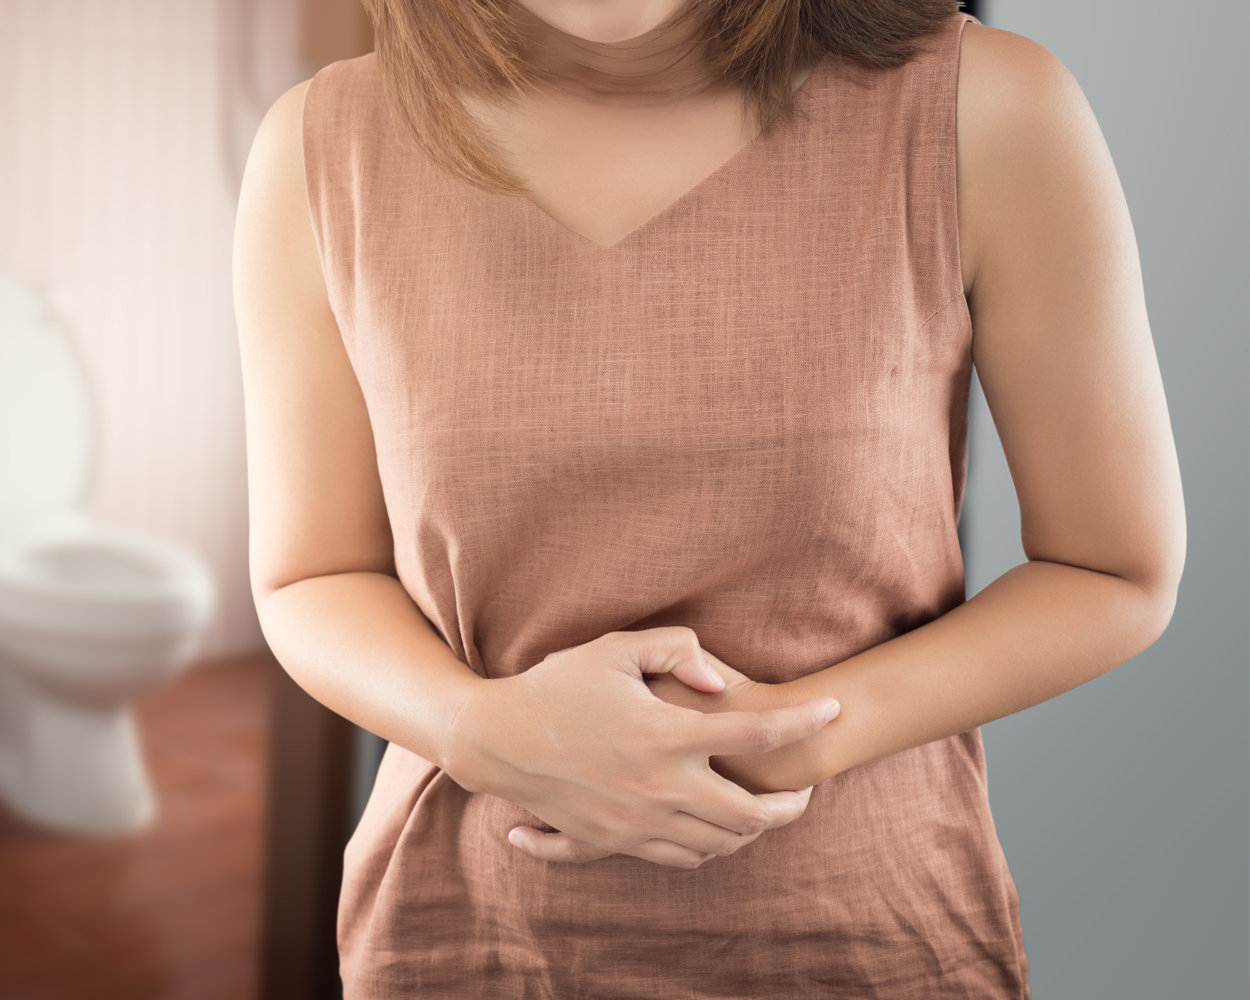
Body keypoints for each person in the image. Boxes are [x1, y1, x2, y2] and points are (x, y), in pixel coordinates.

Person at [231, 0, 1186, 996]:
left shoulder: (987, 107)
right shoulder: (318, 147)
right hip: (465, 936)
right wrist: (478, 729)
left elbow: (1110, 568)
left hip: (864, 935)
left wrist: (784, 739)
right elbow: (312, 573)